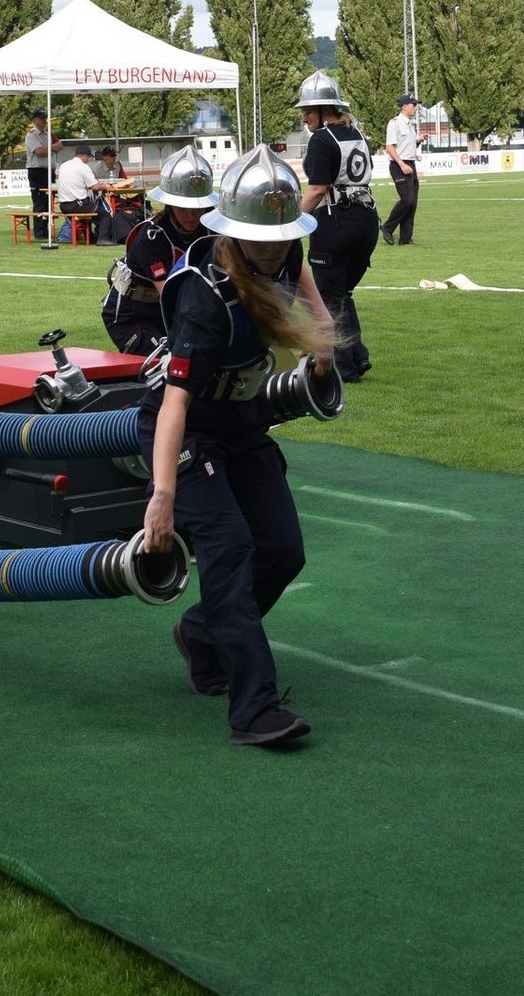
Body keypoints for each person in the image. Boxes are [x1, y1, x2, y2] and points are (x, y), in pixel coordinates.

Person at [140, 145, 336, 747]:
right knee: (229, 548)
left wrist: (321, 336)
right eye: (261, 234)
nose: (273, 245)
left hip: (244, 419)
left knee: (282, 550)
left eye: (281, 232)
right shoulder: (203, 296)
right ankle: (254, 709)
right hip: (188, 428)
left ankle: (200, 635)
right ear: (231, 227)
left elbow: (297, 270)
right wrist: (164, 493)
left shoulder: (285, 250)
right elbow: (174, 405)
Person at [296, 71, 378, 383]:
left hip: (334, 222)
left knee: (329, 297)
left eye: (307, 111)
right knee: (341, 293)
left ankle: (344, 369)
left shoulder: (321, 140)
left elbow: (316, 190)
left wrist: (295, 223)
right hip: (366, 220)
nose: (304, 117)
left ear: (323, 110)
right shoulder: (356, 134)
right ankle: (357, 355)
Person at [101, 143, 215, 355]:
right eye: (184, 208)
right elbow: (170, 296)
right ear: (170, 204)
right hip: (131, 317)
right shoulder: (152, 238)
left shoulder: (210, 231)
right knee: (169, 362)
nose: (191, 216)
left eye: (198, 207)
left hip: (164, 313)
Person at [381, 94, 427, 246]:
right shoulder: (395, 123)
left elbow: (407, 145)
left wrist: (418, 141)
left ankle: (405, 238)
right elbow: (389, 147)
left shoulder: (410, 124)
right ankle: (387, 228)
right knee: (407, 200)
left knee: (412, 202)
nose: (416, 108)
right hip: (399, 166)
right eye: (414, 105)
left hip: (410, 164)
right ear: (405, 106)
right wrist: (401, 164)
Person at [23, 109, 61, 239]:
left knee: (49, 201)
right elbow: (39, 152)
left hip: (49, 171)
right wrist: (52, 148)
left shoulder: (49, 133)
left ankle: (47, 230)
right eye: (41, 118)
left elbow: (60, 145)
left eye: (45, 118)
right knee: (39, 201)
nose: (44, 121)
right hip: (36, 171)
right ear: (35, 120)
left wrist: (49, 149)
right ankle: (39, 232)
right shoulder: (31, 135)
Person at [54, 143, 102, 241]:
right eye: (88, 157)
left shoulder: (64, 165)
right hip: (76, 204)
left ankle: (91, 238)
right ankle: (103, 238)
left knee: (87, 208)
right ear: (85, 156)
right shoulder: (83, 167)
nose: (88, 160)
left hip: (63, 205)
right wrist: (105, 185)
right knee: (104, 213)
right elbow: (95, 187)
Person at [93, 145, 138, 243]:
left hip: (116, 196)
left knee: (132, 204)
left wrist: (128, 188)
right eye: (111, 156)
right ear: (104, 157)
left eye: (115, 155)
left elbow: (125, 180)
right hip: (102, 197)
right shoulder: (96, 169)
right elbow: (94, 187)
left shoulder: (118, 165)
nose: (114, 158)